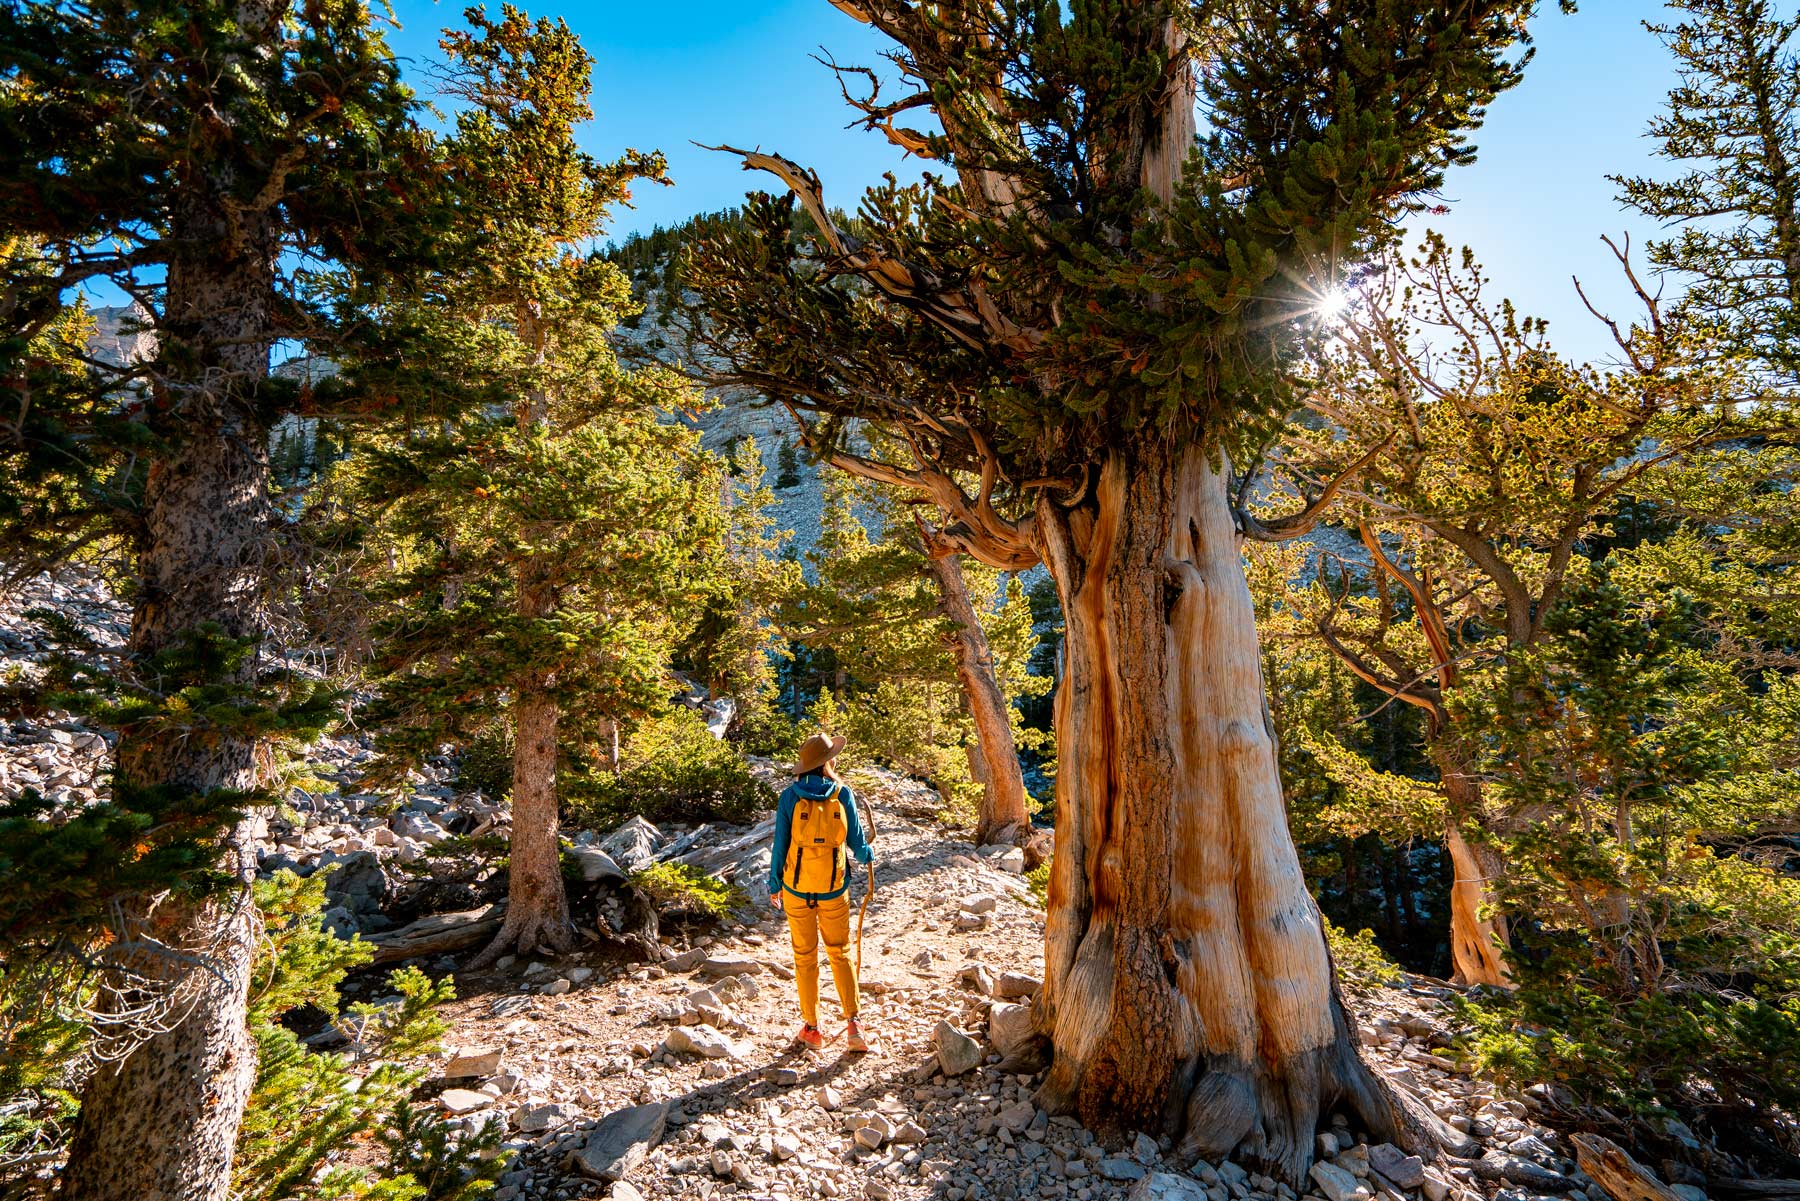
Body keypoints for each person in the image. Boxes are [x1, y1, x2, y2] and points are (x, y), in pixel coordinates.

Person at [768, 731, 873, 1052]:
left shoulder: (789, 796)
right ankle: (854, 1025)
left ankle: (812, 1028)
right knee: (840, 951)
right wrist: (867, 853)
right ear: (828, 762)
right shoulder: (843, 794)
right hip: (834, 889)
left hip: (797, 890)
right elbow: (856, 842)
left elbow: (780, 845)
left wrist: (775, 885)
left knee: (804, 957)